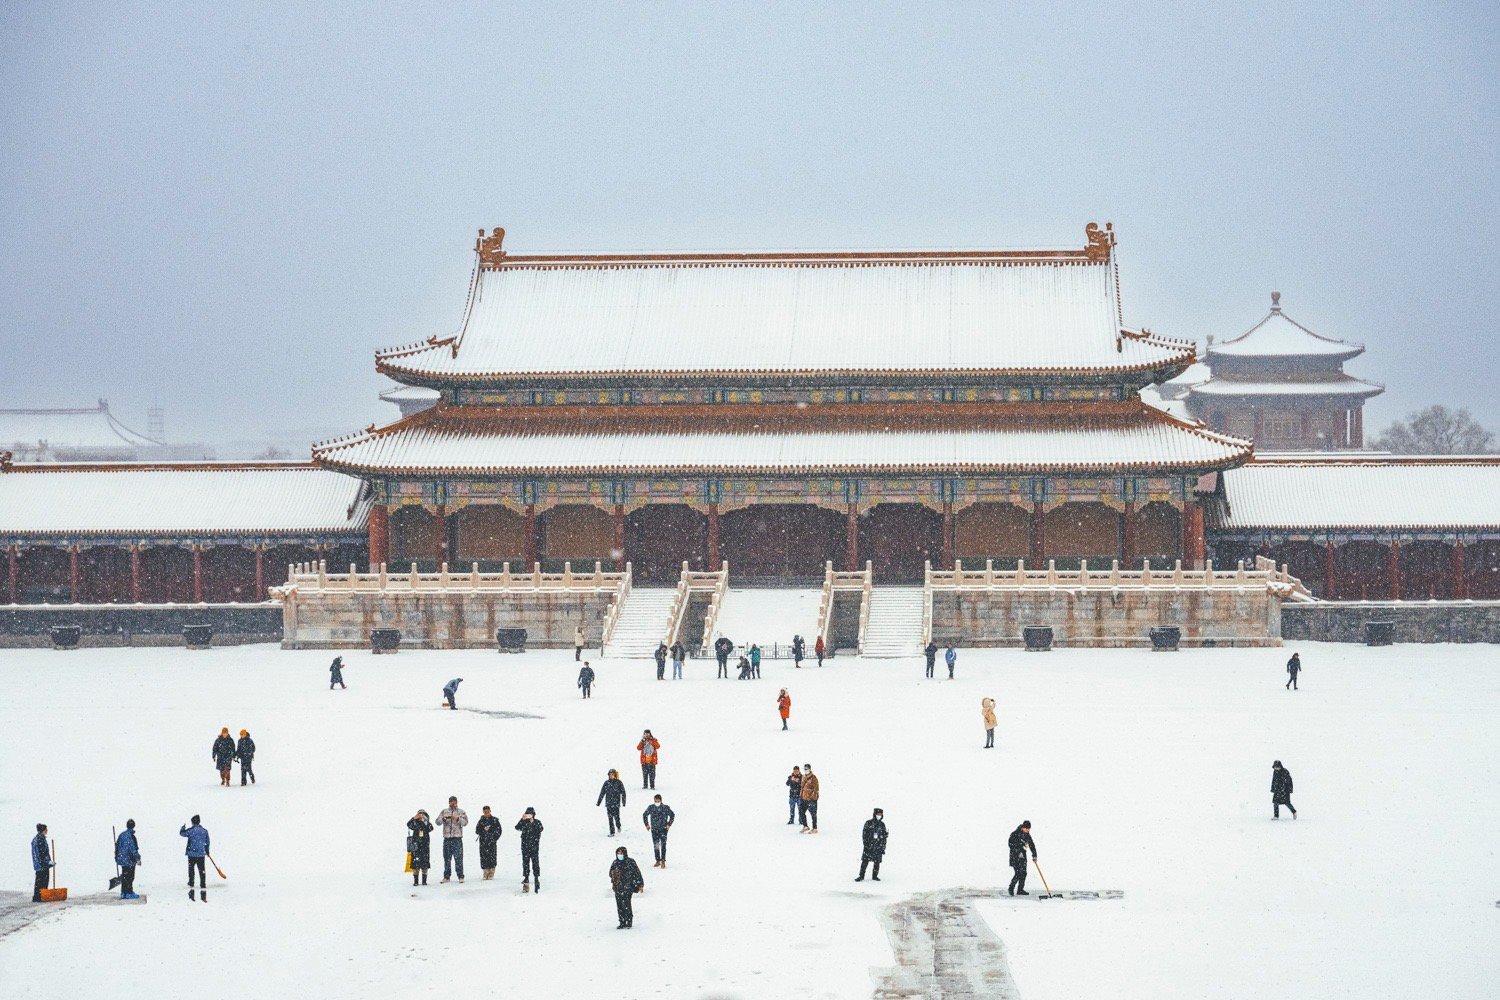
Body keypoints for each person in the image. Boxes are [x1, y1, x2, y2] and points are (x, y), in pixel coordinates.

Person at [609, 846, 645, 928]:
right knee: (619, 906)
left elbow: (637, 873)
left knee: (627, 904)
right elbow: (610, 873)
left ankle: (628, 921)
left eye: (621, 853)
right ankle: (622, 922)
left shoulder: (630, 862)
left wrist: (640, 885)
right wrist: (614, 874)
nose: (619, 855)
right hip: (618, 888)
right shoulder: (615, 863)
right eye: (618, 853)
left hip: (628, 888)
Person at [438, 796, 469, 882]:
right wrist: (443, 819)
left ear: (457, 802)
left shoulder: (461, 812)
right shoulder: (444, 811)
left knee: (458, 858)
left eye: (454, 801)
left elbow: (466, 822)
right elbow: (437, 822)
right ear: (449, 802)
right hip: (447, 839)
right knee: (447, 858)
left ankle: (460, 876)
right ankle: (446, 877)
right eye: (451, 801)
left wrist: (458, 819)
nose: (453, 803)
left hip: (457, 839)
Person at [180, 815, 211, 901]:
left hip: (192, 854)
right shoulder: (205, 831)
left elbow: (182, 834)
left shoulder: (191, 830)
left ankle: (191, 882)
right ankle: (203, 883)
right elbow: (207, 842)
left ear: (193, 822)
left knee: (191, 869)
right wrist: (207, 851)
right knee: (202, 870)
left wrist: (182, 828)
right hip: (201, 854)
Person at [643, 794, 676, 868]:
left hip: (663, 829)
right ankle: (658, 860)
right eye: (655, 801)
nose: (656, 802)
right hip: (654, 829)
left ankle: (663, 860)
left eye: (658, 801)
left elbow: (672, 815)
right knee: (656, 845)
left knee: (663, 845)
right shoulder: (651, 807)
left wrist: (669, 824)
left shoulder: (665, 808)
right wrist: (647, 824)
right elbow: (644, 815)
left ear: (661, 801)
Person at [856, 808, 888, 881]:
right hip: (869, 846)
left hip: (878, 847)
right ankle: (861, 876)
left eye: (880, 814)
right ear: (874, 814)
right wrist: (866, 844)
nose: (879, 815)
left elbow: (884, 838)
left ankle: (875, 876)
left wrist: (883, 847)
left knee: (877, 863)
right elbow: (864, 835)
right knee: (865, 862)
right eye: (878, 814)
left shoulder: (882, 825)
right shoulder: (868, 823)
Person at [516, 807, 543, 892]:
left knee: (535, 862)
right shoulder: (523, 822)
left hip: (534, 846)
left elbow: (541, 829)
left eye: (530, 814)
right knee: (525, 862)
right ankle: (526, 877)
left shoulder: (537, 822)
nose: (529, 816)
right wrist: (522, 819)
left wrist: (533, 823)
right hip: (525, 846)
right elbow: (517, 827)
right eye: (527, 814)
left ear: (534, 815)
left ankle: (536, 877)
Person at [114, 819, 141, 899]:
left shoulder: (121, 835)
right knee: (130, 876)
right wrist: (138, 858)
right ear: (133, 826)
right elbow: (133, 849)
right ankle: (129, 892)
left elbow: (117, 846)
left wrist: (117, 856)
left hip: (122, 859)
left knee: (125, 876)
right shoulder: (131, 836)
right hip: (129, 860)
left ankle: (123, 892)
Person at [1007, 821, 1036, 896]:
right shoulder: (1015, 834)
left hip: (1022, 857)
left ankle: (1020, 890)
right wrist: (1020, 845)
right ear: (1023, 827)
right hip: (1015, 857)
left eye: (1029, 829)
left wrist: (1034, 855)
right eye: (1026, 828)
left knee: (1023, 873)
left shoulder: (1027, 835)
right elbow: (1010, 844)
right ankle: (1011, 888)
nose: (1028, 830)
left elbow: (1031, 844)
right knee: (1018, 873)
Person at [597, 768, 628, 835]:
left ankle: (618, 826)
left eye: (612, 774)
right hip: (608, 804)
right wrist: (599, 802)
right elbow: (602, 792)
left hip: (616, 804)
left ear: (615, 775)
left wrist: (623, 802)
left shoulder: (619, 782)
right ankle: (612, 832)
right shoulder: (606, 783)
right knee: (610, 818)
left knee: (617, 817)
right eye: (610, 774)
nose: (611, 776)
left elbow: (623, 793)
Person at [475, 806, 503, 880]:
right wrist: (483, 829)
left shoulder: (495, 820)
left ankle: (491, 873)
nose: (486, 813)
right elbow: (477, 831)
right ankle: (485, 872)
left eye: (488, 811)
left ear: (490, 811)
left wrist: (494, 838)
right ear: (483, 812)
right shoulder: (481, 820)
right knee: (484, 857)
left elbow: (499, 830)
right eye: (485, 812)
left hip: (492, 842)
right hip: (483, 842)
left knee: (492, 857)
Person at [407, 809, 433, 887]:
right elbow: (408, 824)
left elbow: (431, 828)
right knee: (415, 864)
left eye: (423, 814)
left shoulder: (427, 823)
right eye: (420, 814)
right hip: (416, 846)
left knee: (425, 863)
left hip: (425, 846)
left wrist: (425, 821)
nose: (421, 815)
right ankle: (416, 881)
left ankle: (424, 881)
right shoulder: (415, 822)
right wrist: (414, 818)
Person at [31, 823, 52, 903]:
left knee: (39, 881)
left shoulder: (38, 839)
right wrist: (48, 862)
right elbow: (42, 854)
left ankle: (38, 896)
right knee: (43, 881)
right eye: (46, 829)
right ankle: (41, 897)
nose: (47, 830)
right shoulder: (40, 840)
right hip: (42, 865)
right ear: (43, 830)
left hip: (39, 865)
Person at [799, 764, 820, 833]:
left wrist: (812, 797)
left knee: (813, 814)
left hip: (811, 799)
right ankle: (805, 826)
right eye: (804, 769)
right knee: (801, 812)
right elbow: (802, 787)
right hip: (803, 798)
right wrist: (801, 796)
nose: (805, 770)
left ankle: (815, 828)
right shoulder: (803, 777)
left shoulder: (814, 778)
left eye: (806, 769)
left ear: (810, 769)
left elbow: (816, 789)